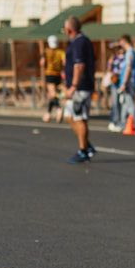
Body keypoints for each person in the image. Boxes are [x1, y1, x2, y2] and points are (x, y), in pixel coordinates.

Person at [63, 16, 97, 163]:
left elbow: (79, 65)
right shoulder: (82, 41)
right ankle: (87, 145)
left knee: (80, 118)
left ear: (68, 30)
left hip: (80, 88)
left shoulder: (78, 42)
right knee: (69, 116)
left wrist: (73, 86)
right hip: (79, 86)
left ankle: (83, 151)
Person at [117, 34, 135, 131]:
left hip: (129, 81)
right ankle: (124, 124)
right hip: (131, 81)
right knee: (125, 103)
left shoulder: (130, 53)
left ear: (124, 41)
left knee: (129, 103)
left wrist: (124, 82)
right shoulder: (132, 52)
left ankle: (133, 124)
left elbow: (128, 67)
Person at [41, 36, 65, 122]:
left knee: (53, 94)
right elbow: (64, 62)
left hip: (49, 74)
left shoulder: (46, 51)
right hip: (58, 75)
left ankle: (59, 109)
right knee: (51, 95)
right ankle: (48, 114)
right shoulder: (61, 52)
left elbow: (42, 63)